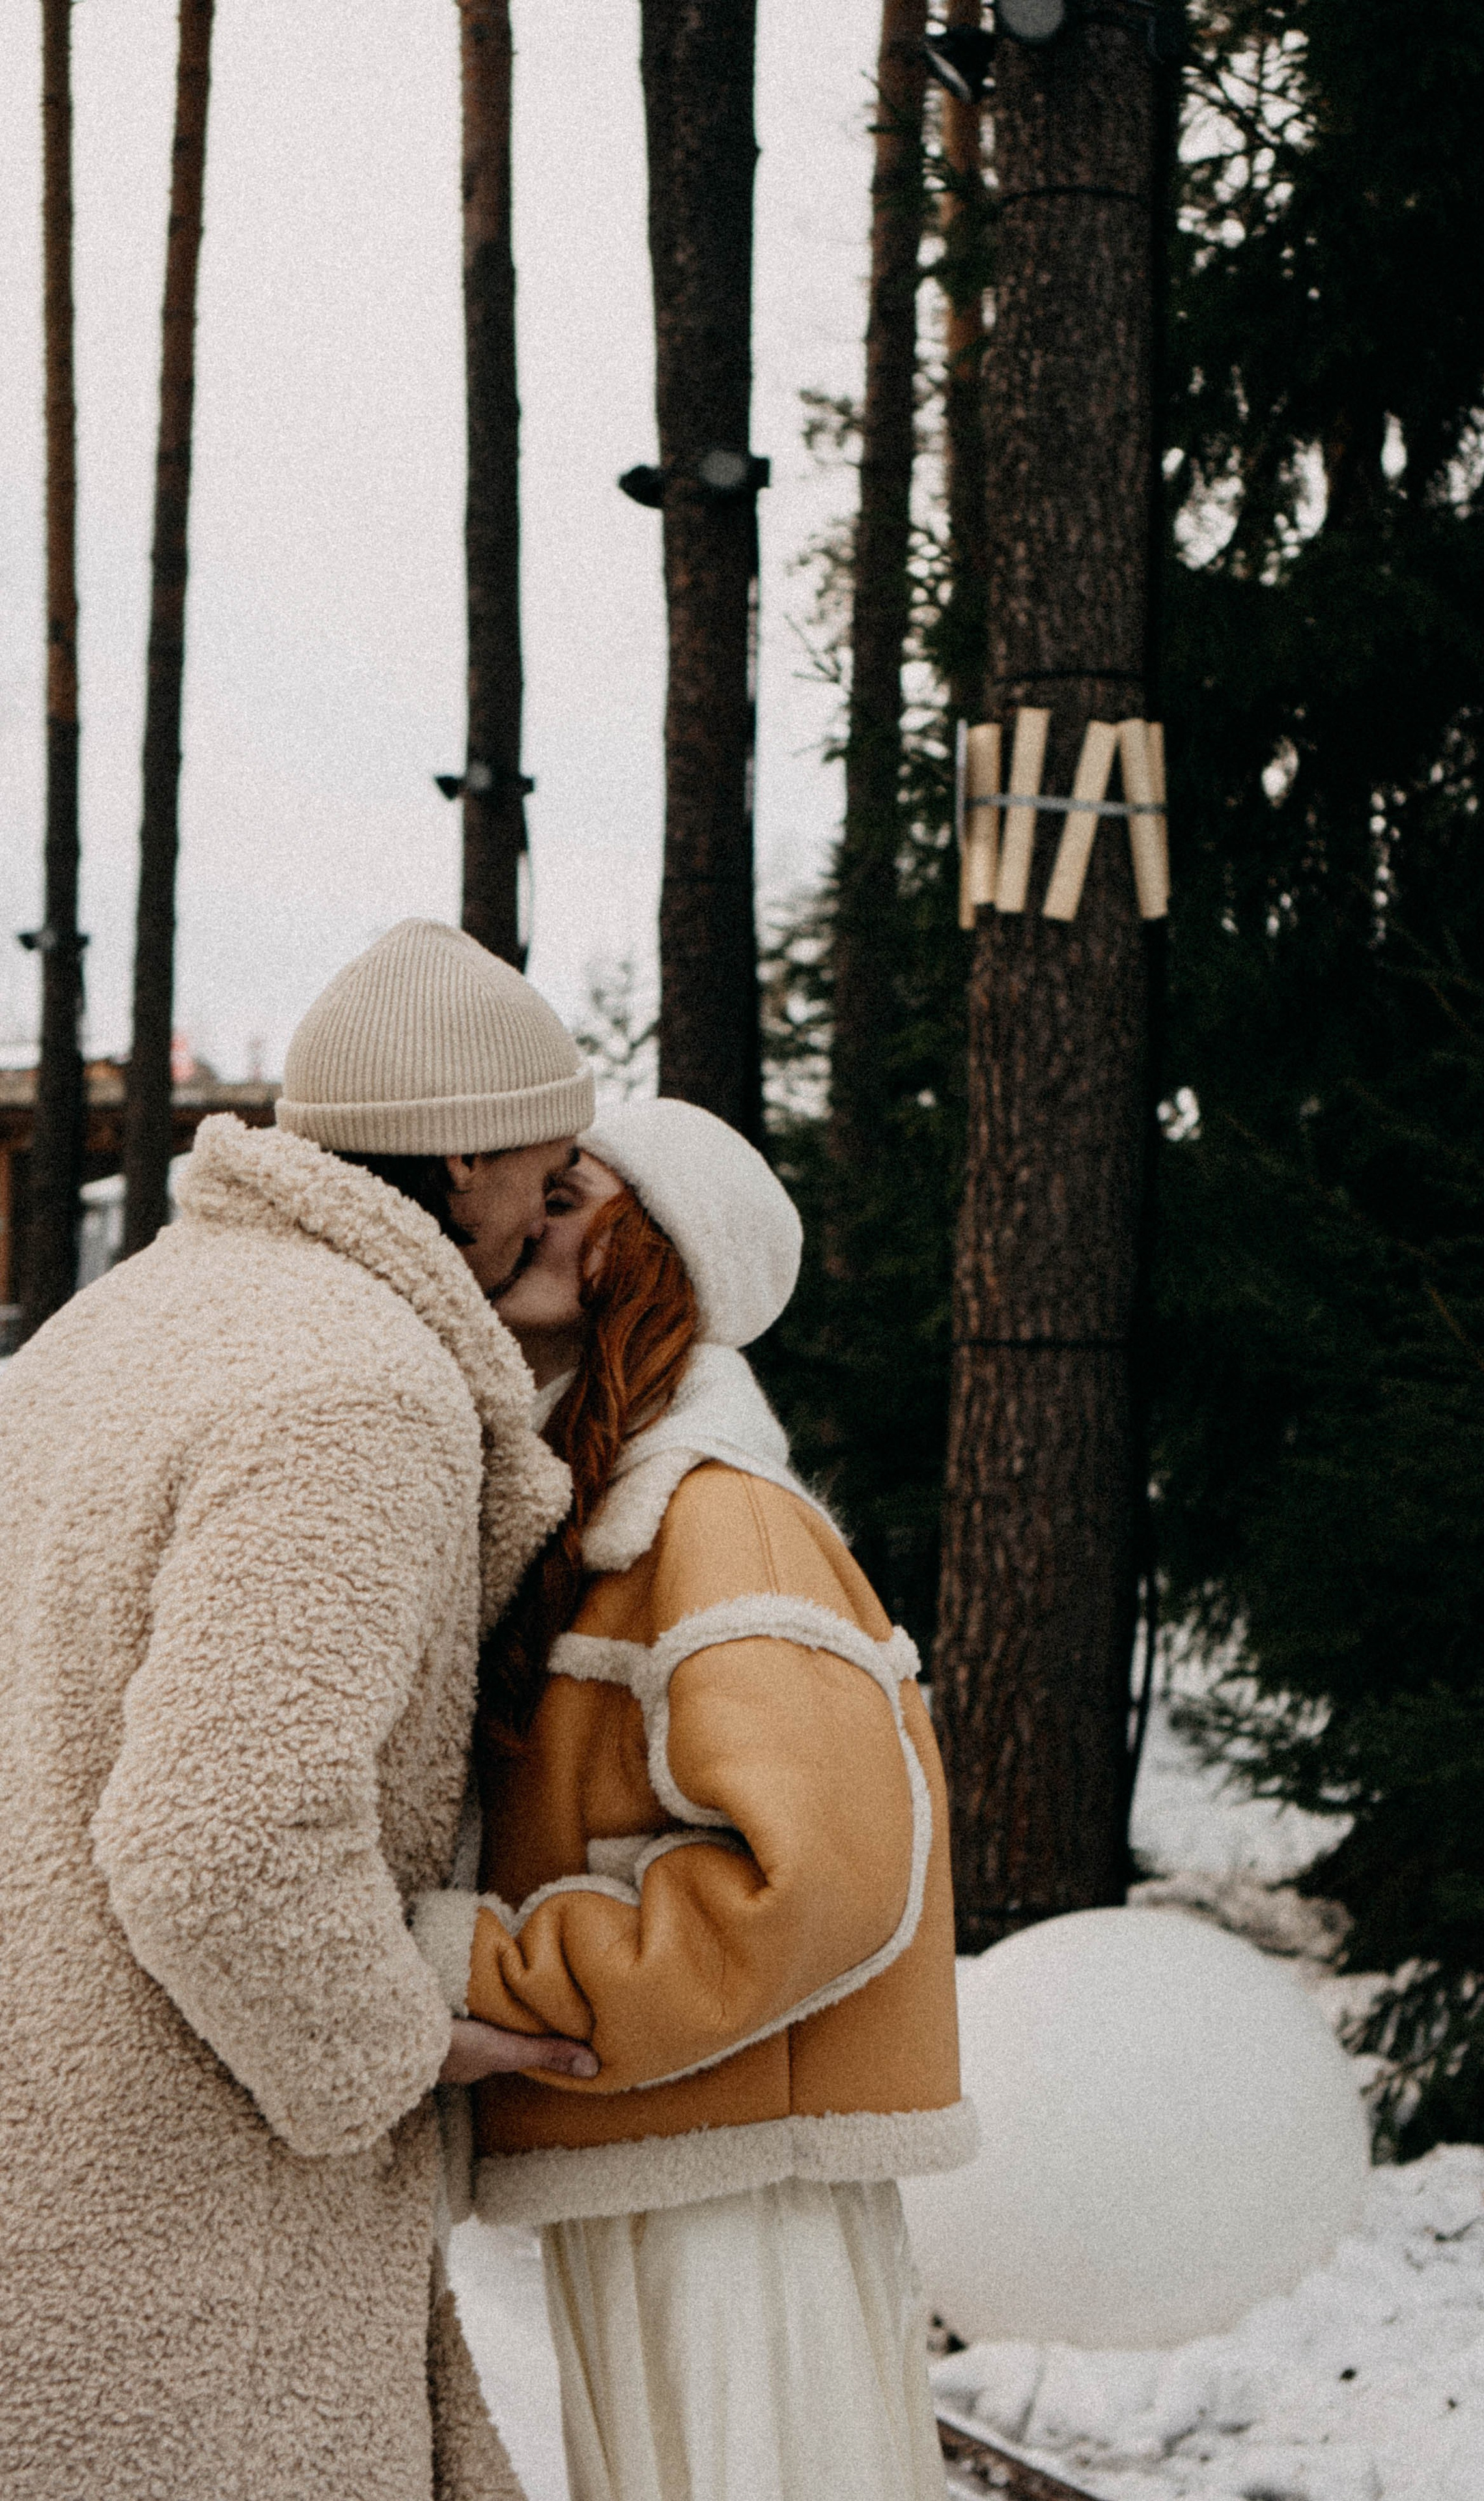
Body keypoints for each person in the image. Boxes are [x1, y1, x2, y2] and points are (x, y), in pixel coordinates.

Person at [0, 919, 600, 2501]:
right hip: (177, 2240)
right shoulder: (357, 1389)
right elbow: (220, 1838)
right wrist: (402, 2041)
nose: (555, 1210)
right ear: (459, 1166)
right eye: (545, 1174)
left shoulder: (107, 1332)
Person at [413, 1097, 977, 2501]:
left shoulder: (715, 1510)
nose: (525, 1211)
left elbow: (819, 1877)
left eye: (572, 1188)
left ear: (668, 1248)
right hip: (673, 2151)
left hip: (737, 2190)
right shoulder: (600, 1511)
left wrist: (483, 1970)